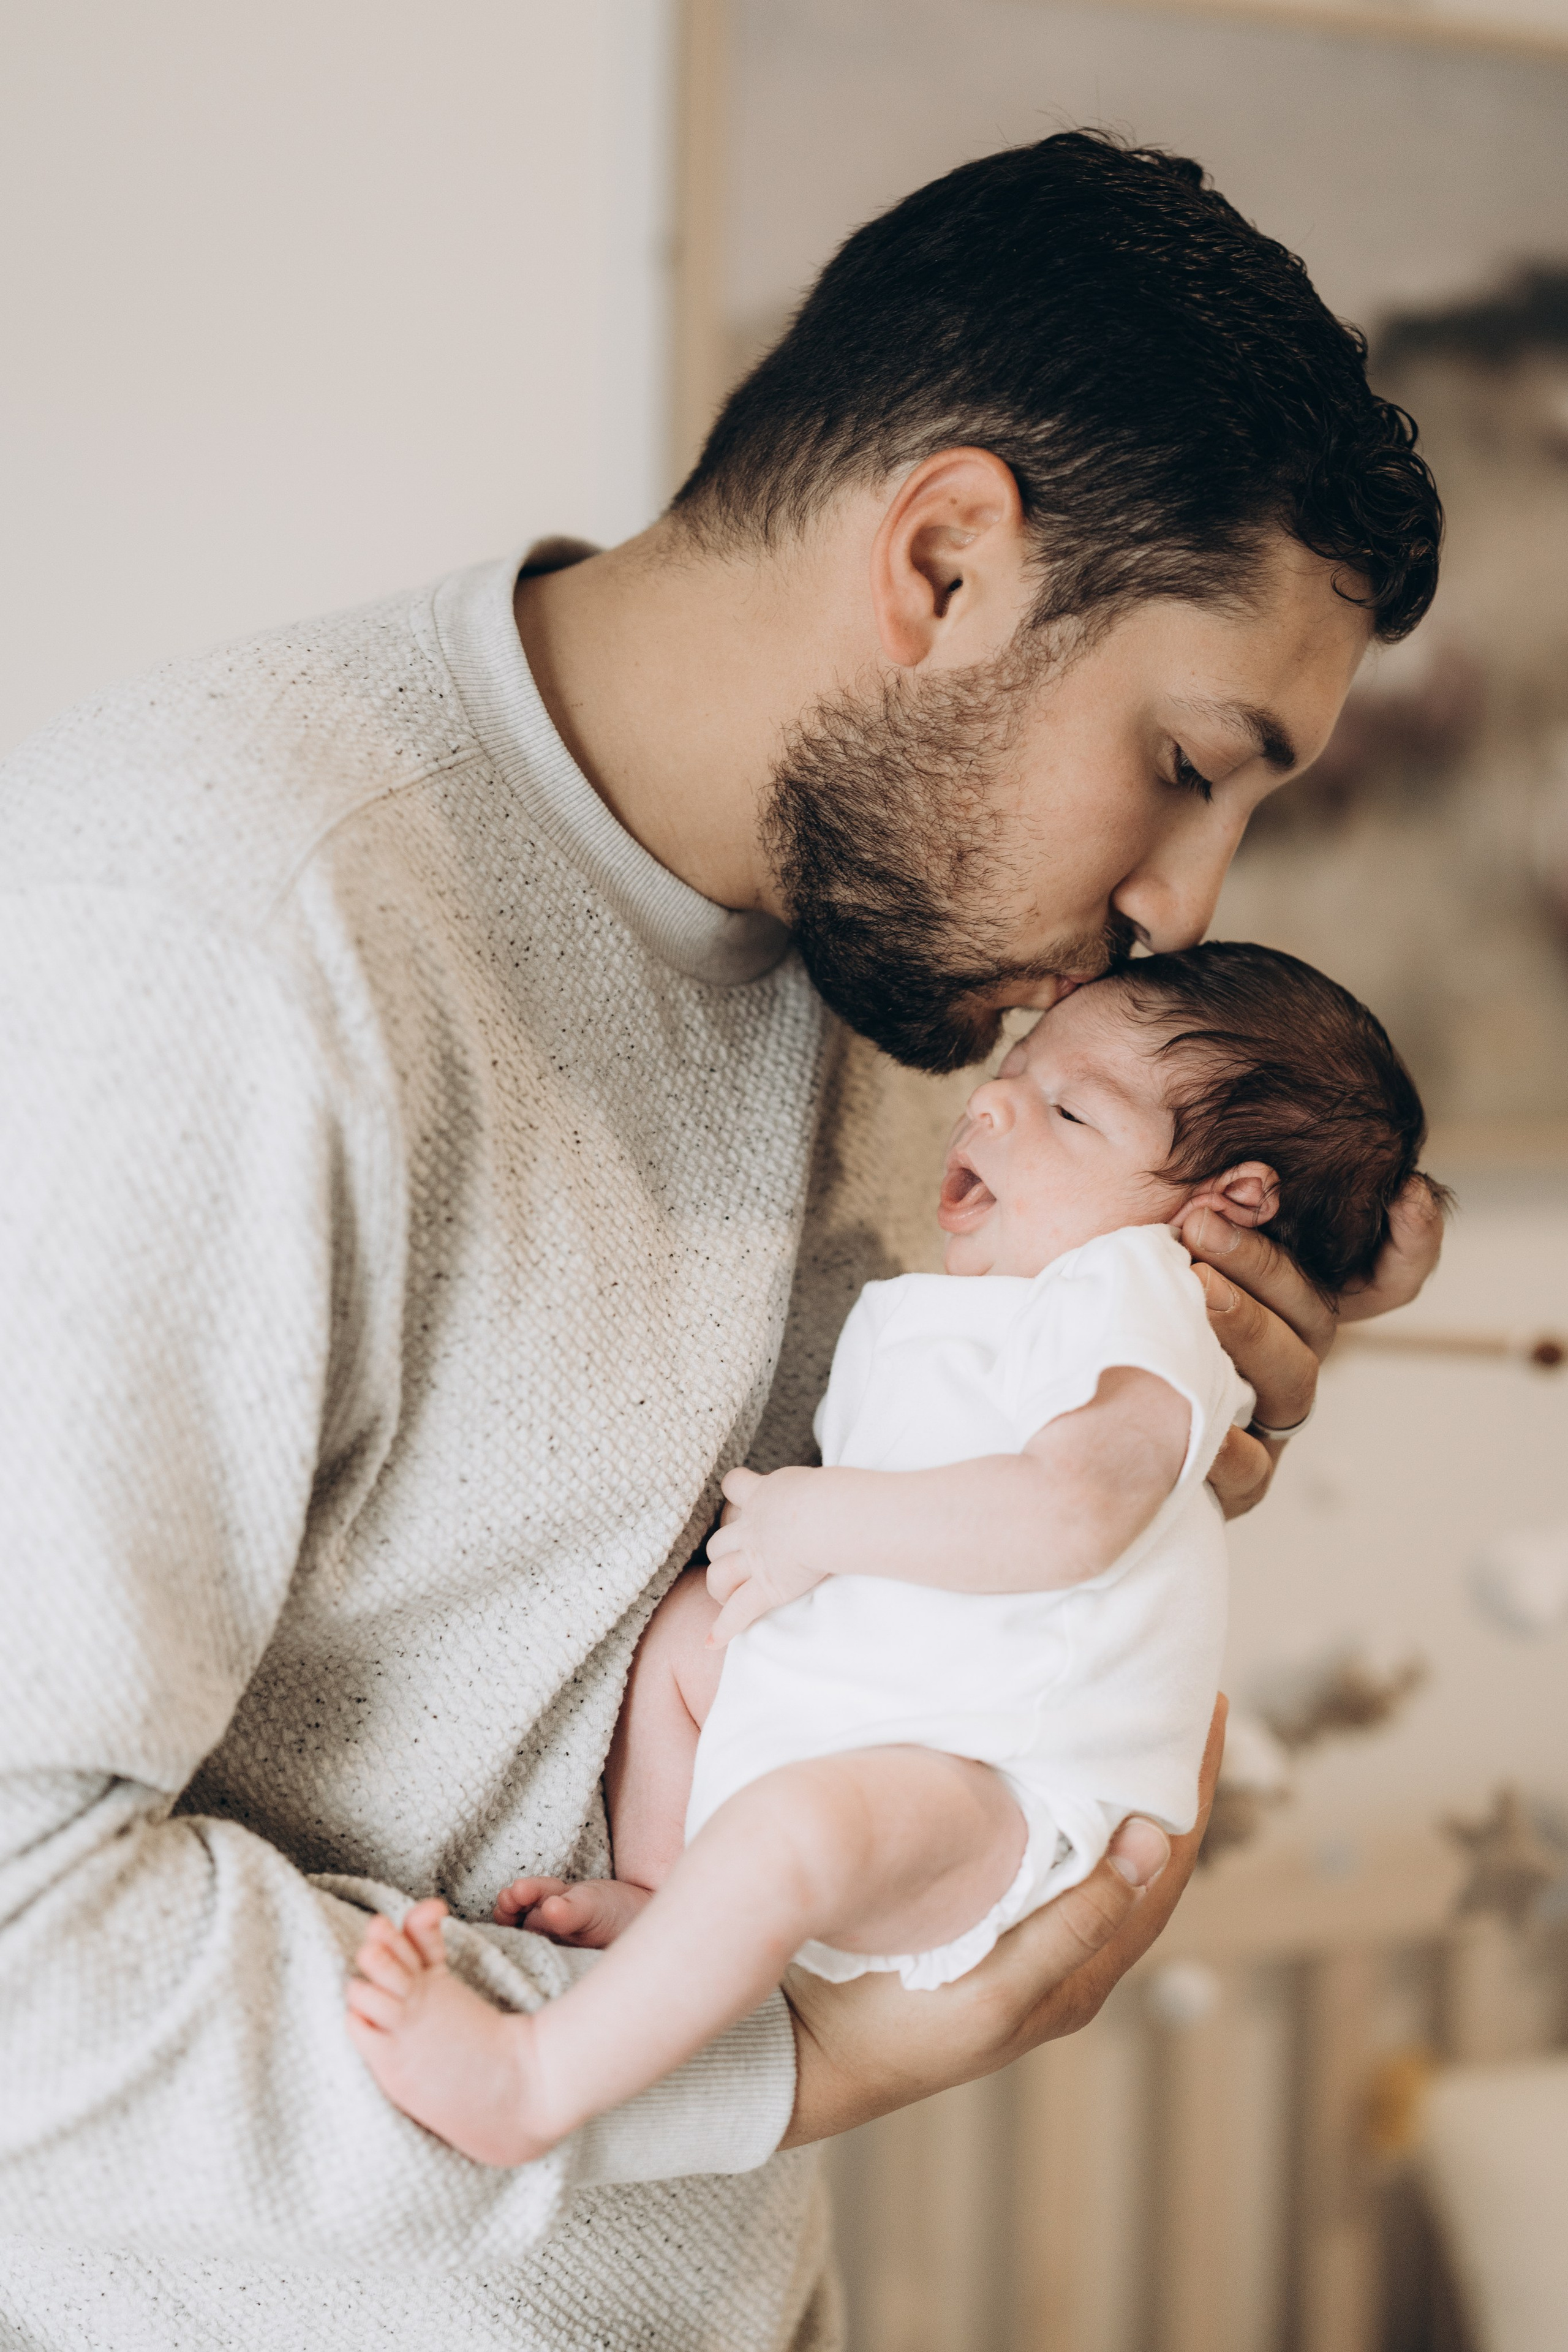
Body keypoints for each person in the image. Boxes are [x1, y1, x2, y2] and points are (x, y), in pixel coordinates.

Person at [0, 131, 1444, 2352]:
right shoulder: (215, 935)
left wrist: (1142, 1411)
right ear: (949, 561)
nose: (1186, 909)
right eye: (1182, 761)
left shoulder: (932, 984)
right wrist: (789, 2068)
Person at [341, 942, 1440, 2165]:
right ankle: (665, 1900)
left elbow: (1066, 1514)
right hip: (885, 1701)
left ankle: (532, 2079)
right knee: (689, 1639)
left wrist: (817, 1517)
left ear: (1223, 1208)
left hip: (994, 1780)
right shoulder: (1016, 1297)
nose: (991, 1104)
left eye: (1067, 1111)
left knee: (799, 1830)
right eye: (1014, 1075)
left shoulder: (1142, 1291)